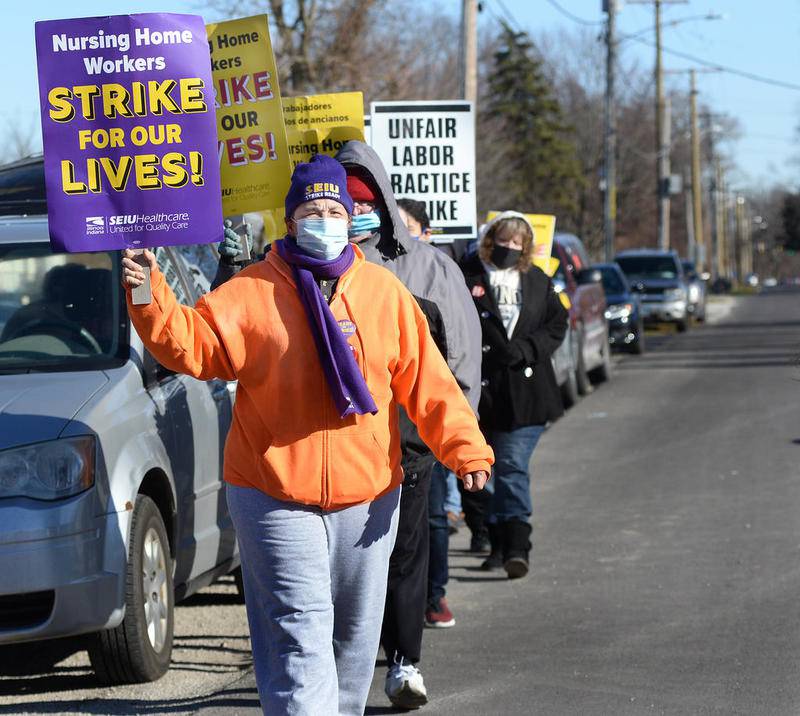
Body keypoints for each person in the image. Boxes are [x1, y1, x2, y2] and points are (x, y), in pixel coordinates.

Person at [121, 154, 493, 716]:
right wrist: (149, 291)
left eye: (334, 210)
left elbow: (430, 384)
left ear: (350, 219)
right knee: (300, 633)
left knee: (353, 643)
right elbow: (191, 345)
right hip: (272, 494)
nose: (325, 219)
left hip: (368, 496)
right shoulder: (251, 290)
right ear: (291, 221)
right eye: (312, 210)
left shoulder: (384, 294)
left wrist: (465, 449)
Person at [335, 140, 482, 709]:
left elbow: (461, 359)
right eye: (338, 203)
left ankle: (403, 660)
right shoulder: (305, 272)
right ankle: (338, 669)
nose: (350, 215)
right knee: (343, 564)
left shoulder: (427, 267)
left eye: (362, 201)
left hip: (409, 441)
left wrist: (457, 436)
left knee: (404, 550)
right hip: (333, 446)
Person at [460, 211, 567, 579]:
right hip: (482, 393)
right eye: (503, 240)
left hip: (527, 393)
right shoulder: (467, 276)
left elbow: (557, 323)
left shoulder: (537, 280)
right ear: (490, 239)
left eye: (517, 243)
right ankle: (499, 541)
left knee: (512, 466)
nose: (509, 247)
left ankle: (517, 542)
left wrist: (527, 349)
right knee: (486, 471)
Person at [395, 196, 459, 631]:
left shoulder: (438, 278)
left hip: (419, 434)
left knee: (428, 521)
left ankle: (431, 598)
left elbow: (452, 365)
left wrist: (461, 438)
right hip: (372, 439)